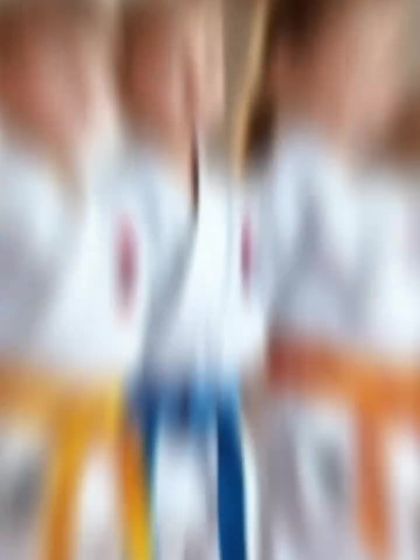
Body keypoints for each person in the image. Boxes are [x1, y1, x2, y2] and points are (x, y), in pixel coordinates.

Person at [236, 0, 414, 558]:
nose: (377, 76)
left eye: (388, 58)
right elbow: (244, 300)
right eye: (358, 57)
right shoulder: (284, 180)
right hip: (316, 425)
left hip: (389, 423)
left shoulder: (381, 192)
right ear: (284, 69)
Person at [0, 1, 149, 558]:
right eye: (63, 68)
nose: (87, 87)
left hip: (102, 422)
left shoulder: (104, 179)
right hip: (22, 430)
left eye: (99, 70)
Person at [118, 0, 265, 558]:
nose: (197, 76)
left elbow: (253, 312)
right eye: (175, 62)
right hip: (132, 433)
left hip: (220, 434)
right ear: (127, 78)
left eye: (209, 60)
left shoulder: (234, 198)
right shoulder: (106, 193)